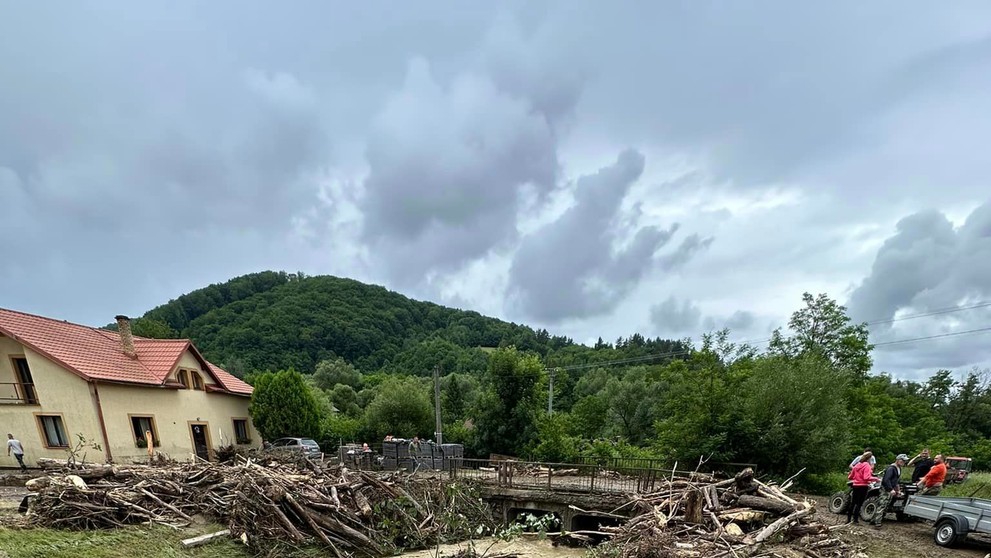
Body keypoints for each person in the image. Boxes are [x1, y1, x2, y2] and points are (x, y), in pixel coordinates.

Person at [871, 454, 909, 527]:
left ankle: (874, 520)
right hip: (885, 489)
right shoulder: (891, 468)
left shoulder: (898, 468)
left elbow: (896, 481)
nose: (904, 462)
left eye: (905, 461)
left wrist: (898, 490)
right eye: (902, 460)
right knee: (882, 505)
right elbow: (886, 480)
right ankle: (877, 522)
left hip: (891, 489)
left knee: (886, 505)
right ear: (897, 460)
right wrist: (890, 489)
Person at [847, 451, 879, 524]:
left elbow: (850, 477)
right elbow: (866, 477)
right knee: (859, 503)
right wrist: (876, 479)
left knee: (853, 502)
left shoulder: (857, 465)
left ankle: (848, 519)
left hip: (855, 485)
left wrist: (856, 477)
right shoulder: (867, 466)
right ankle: (855, 520)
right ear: (869, 458)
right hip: (863, 486)